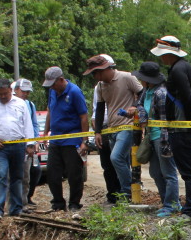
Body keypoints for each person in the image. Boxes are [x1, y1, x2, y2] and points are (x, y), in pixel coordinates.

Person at [152, 36, 191, 218]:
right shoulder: (184, 67)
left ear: (168, 54)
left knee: (188, 171)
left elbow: (188, 98)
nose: (161, 59)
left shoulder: (177, 70)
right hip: (184, 126)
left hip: (181, 128)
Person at [86, 54, 143, 204]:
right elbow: (99, 109)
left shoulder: (126, 78)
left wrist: (135, 106)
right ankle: (131, 188)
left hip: (128, 125)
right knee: (120, 161)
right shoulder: (100, 86)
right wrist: (97, 131)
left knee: (115, 157)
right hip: (111, 128)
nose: (94, 77)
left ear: (103, 69)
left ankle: (127, 191)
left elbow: (143, 93)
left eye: (95, 73)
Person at [128, 61, 181, 217]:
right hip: (152, 136)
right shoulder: (146, 91)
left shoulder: (161, 93)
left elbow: (164, 119)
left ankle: (172, 204)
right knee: (155, 172)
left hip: (163, 137)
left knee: (168, 173)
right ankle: (166, 201)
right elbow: (139, 105)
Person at [0, 78, 34, 220]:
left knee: (17, 177)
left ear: (11, 90)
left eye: (5, 94)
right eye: (0, 94)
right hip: (0, 147)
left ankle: (16, 209)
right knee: (1, 174)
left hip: (18, 145)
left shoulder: (20, 104)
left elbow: (27, 124)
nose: (3, 96)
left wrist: (30, 144)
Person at [41, 67, 88, 212]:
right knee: (52, 173)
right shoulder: (52, 92)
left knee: (74, 174)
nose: (52, 88)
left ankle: (74, 203)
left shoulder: (74, 92)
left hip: (72, 140)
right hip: (55, 139)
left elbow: (83, 117)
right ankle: (58, 203)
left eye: (54, 84)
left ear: (61, 80)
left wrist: (84, 140)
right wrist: (45, 132)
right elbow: (50, 112)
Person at [12, 79, 42, 207]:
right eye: (23, 91)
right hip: (14, 145)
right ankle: (14, 203)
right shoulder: (10, 104)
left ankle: (24, 201)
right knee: (14, 176)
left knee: (27, 175)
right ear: (16, 90)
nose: (25, 94)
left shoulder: (30, 105)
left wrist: (34, 142)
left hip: (27, 146)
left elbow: (34, 124)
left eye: (27, 92)